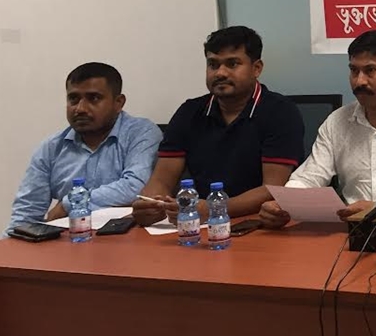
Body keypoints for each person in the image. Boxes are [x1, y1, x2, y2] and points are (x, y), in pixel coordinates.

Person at [258, 30, 376, 228]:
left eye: (370, 71)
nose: (359, 81)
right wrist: (283, 204)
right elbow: (309, 177)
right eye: (354, 71)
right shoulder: (337, 122)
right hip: (349, 231)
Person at [130, 26, 304, 227]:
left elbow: (272, 188)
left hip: (260, 223)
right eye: (213, 64)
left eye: (232, 64)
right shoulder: (189, 112)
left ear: (256, 68)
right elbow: (161, 180)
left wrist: (215, 208)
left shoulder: (280, 112)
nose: (220, 73)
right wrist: (149, 204)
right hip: (200, 224)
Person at [8, 63, 162, 233]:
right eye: (73, 99)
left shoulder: (141, 133)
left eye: (93, 98)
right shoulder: (52, 148)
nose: (80, 108)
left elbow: (136, 187)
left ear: (118, 103)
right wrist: (11, 243)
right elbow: (26, 211)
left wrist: (68, 204)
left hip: (127, 239)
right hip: (69, 240)